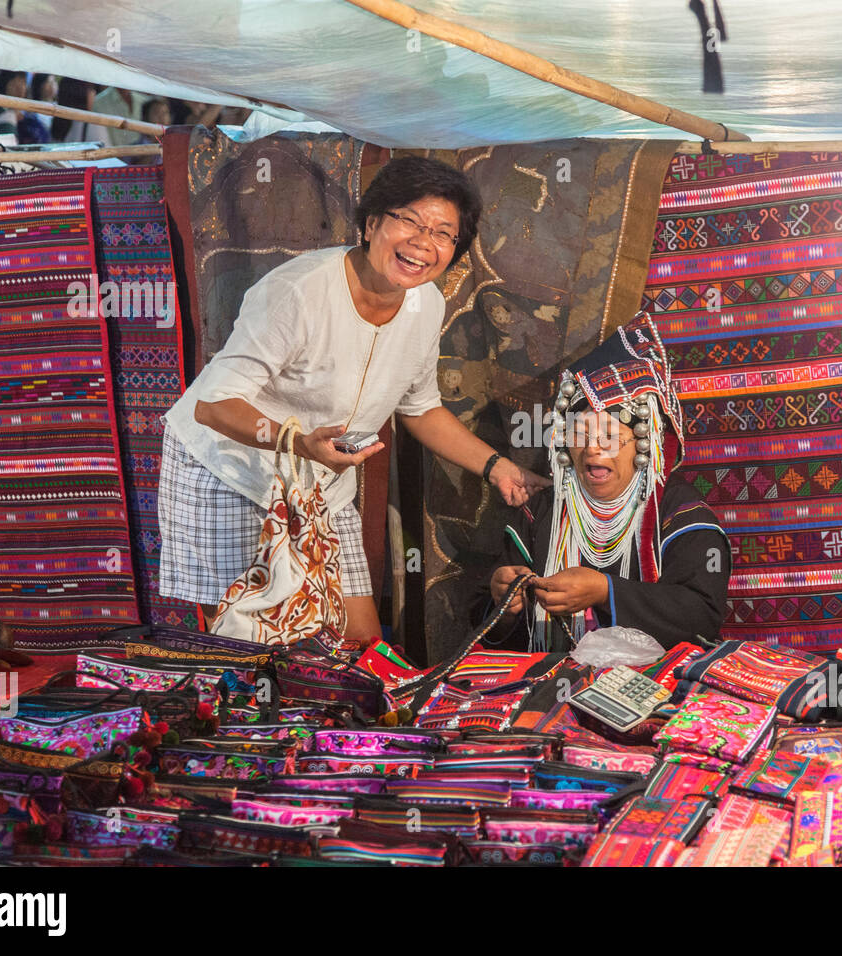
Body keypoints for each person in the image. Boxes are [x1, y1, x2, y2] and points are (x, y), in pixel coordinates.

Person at [158, 156, 550, 644]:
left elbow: (421, 409)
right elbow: (212, 405)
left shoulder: (425, 304)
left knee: (359, 644)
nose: (421, 242)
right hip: (231, 472)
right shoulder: (298, 293)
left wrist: (498, 468)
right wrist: (298, 443)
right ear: (371, 223)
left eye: (443, 233)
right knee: (243, 644)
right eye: (408, 220)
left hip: (319, 479)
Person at [487, 314, 730, 651]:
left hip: (653, 687)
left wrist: (606, 591)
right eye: (580, 434)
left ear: (643, 443)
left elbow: (702, 616)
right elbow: (503, 639)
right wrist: (506, 605)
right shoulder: (542, 511)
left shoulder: (680, 513)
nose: (592, 448)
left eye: (610, 436)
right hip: (558, 683)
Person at [50, 78, 112, 145]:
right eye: (92, 90)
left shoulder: (56, 122)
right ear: (83, 94)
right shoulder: (94, 124)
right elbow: (107, 152)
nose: (94, 95)